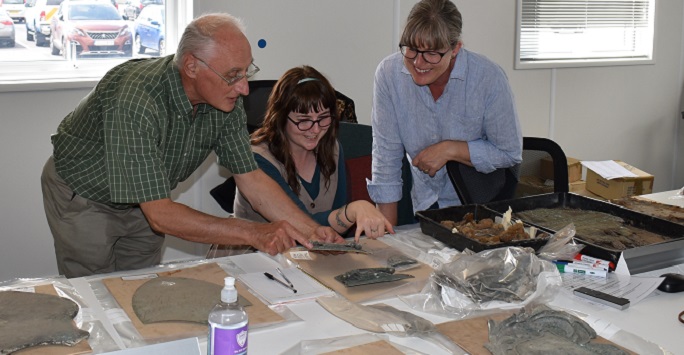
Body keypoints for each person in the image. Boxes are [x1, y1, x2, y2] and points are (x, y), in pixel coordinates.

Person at [40, 13, 341, 279]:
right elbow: (160, 214)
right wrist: (254, 232)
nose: (245, 88)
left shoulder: (225, 103)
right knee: (96, 293)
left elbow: (252, 180)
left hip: (147, 199)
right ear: (191, 66)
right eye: (233, 75)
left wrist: (311, 231)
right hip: (86, 196)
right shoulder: (135, 99)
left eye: (246, 71)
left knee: (138, 286)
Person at [367, 0, 523, 225]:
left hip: (479, 209)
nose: (418, 63)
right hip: (423, 204)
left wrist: (450, 149)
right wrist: (385, 236)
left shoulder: (488, 78)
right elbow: (386, 158)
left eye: (431, 53)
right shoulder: (389, 75)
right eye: (410, 49)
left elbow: (509, 153)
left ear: (455, 49)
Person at [233, 66, 393, 241]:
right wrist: (351, 211)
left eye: (323, 117)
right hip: (254, 258)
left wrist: (349, 214)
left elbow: (335, 229)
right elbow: (298, 225)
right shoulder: (257, 159)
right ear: (280, 117)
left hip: (311, 255)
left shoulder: (332, 149)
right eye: (303, 121)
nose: (315, 129)